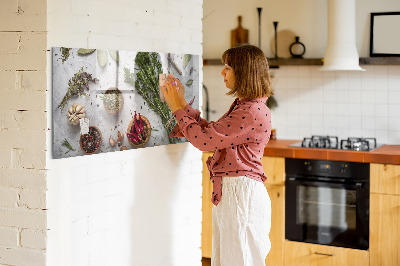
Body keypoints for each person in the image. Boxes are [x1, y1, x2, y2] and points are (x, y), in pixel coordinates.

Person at [161, 44, 273, 266]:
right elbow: (212, 133)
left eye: (228, 67)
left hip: (241, 195)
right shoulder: (246, 106)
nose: (222, 72)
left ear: (244, 72)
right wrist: (182, 103)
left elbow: (204, 141)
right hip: (236, 193)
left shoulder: (250, 111)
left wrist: (176, 108)